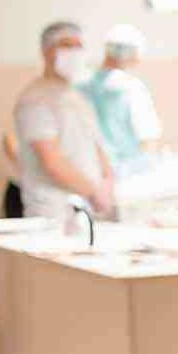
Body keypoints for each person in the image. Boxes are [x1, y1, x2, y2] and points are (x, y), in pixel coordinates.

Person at [13, 21, 115, 221]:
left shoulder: (76, 96)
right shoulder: (34, 99)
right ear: (46, 51)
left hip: (89, 204)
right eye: (67, 45)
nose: (75, 52)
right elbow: (52, 161)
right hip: (53, 210)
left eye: (79, 46)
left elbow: (97, 146)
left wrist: (108, 181)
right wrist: (94, 192)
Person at [78, 24, 162, 167]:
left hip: (92, 169)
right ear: (133, 54)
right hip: (129, 171)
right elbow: (147, 136)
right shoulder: (131, 87)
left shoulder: (82, 85)